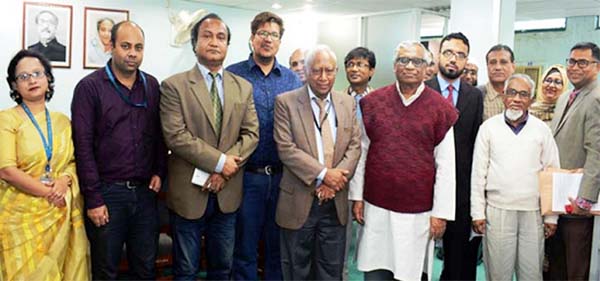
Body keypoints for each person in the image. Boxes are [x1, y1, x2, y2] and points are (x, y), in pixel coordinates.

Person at [160, 13, 259, 280]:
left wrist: (225, 168)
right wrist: (219, 162)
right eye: (207, 35)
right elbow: (176, 136)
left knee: (222, 267)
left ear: (228, 45)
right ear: (194, 44)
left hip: (228, 192)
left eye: (221, 37)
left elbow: (251, 135)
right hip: (188, 194)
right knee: (186, 269)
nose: (214, 42)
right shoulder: (174, 86)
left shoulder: (243, 87)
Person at [353, 41, 458, 281]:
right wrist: (357, 197)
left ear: (426, 68)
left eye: (417, 61)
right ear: (394, 66)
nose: (409, 66)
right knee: (376, 269)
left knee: (408, 273)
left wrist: (440, 213)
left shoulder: (441, 109)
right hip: (376, 205)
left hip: (418, 212)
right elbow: (362, 153)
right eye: (403, 60)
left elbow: (446, 166)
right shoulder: (372, 103)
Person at [71, 21, 166, 280]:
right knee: (106, 270)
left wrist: (159, 169)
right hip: (107, 194)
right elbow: (83, 147)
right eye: (125, 46)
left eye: (138, 47)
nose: (132, 53)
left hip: (145, 194)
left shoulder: (152, 86)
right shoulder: (89, 88)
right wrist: (94, 199)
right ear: (110, 46)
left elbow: (159, 133)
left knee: (145, 268)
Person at [274, 44, 361, 280]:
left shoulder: (347, 103)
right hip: (299, 200)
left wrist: (333, 181)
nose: (324, 77)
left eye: (329, 71)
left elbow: (354, 146)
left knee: (331, 270)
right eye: (317, 71)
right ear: (307, 70)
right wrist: (324, 174)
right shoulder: (286, 102)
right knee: (296, 269)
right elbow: (286, 148)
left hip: (335, 203)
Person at [226, 11, 302, 281]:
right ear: (252, 38)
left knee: (277, 246)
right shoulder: (232, 75)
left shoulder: (293, 80)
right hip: (247, 177)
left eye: (273, 35)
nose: (267, 39)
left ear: (280, 41)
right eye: (262, 34)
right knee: (244, 246)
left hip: (284, 178)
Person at [0, 50, 89, 280]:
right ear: (14, 86)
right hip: (19, 219)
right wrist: (49, 192)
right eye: (23, 76)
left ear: (48, 79)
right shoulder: (7, 119)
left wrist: (64, 180)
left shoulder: (62, 121)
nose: (32, 80)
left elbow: (72, 161)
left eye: (37, 73)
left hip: (58, 214)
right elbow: (6, 170)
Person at [471, 73, 560, 281]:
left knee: (531, 272)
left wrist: (551, 216)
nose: (517, 99)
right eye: (512, 93)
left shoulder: (541, 130)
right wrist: (477, 213)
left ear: (531, 99)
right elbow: (478, 173)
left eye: (523, 94)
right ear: (504, 96)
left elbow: (552, 173)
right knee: (498, 273)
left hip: (533, 213)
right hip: (497, 211)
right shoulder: (488, 128)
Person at [424, 32, 483, 281]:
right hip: (425, 188)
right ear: (439, 55)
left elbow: (475, 144)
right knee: (421, 259)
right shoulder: (423, 91)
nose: (453, 59)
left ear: (466, 60)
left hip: (461, 191)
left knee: (458, 260)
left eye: (460, 55)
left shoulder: (474, 96)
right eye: (448, 53)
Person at [546, 41, 600, 281]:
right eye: (571, 61)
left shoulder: (597, 97)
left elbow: (596, 152)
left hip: (577, 203)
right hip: (558, 199)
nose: (575, 67)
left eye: (583, 63)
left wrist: (585, 200)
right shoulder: (566, 96)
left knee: (575, 268)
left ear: (597, 67)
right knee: (556, 265)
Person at [344, 46, 375, 281]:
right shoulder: (336, 99)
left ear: (371, 70)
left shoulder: (379, 101)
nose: (354, 69)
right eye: (351, 64)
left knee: (369, 236)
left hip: (371, 175)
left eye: (361, 64)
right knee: (341, 235)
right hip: (342, 174)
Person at [478, 44, 516, 120]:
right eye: (492, 62)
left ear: (513, 66)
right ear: (487, 66)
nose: (498, 67)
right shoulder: (477, 96)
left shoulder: (521, 96)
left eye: (503, 62)